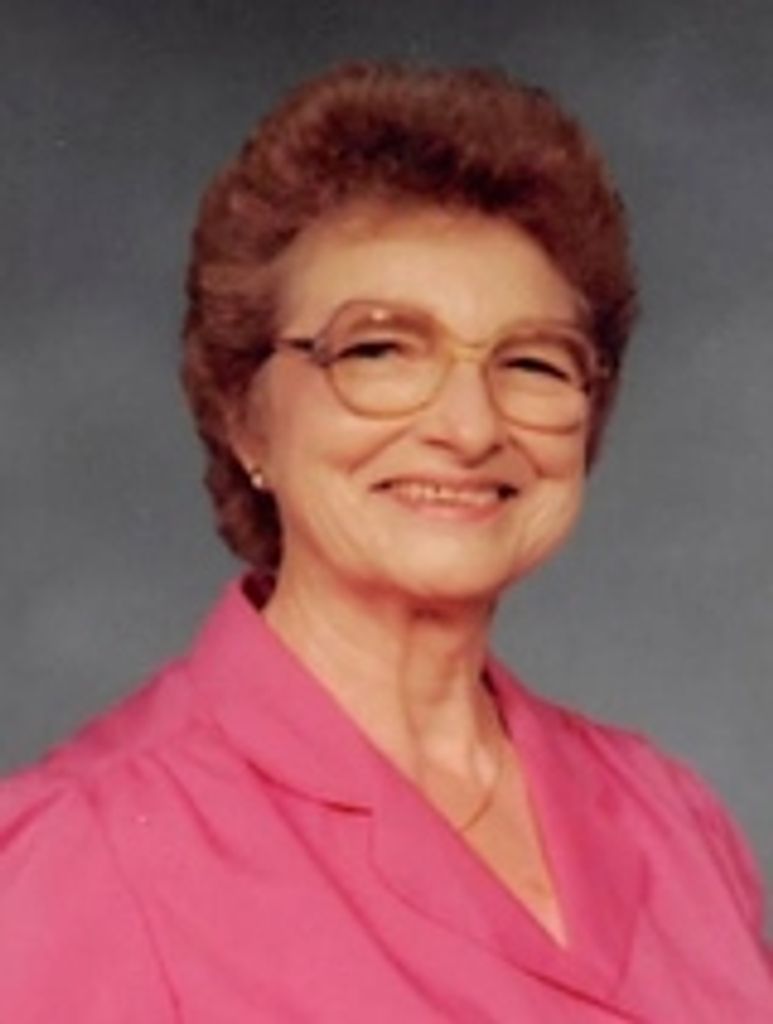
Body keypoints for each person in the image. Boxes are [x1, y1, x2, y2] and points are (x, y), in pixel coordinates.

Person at [1, 61, 770, 1022]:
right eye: (378, 350)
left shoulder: (671, 820)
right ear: (245, 418)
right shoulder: (85, 851)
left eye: (532, 363)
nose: (470, 426)